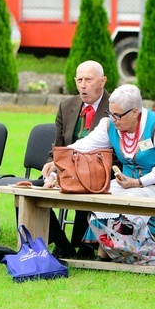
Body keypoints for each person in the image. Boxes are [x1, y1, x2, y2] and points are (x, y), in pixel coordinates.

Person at [46, 84, 155, 261]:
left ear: (135, 112)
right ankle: (109, 252)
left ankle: (139, 254)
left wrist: (138, 182)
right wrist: (58, 162)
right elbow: (85, 146)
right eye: (111, 113)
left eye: (118, 115)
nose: (113, 119)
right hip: (132, 182)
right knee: (103, 196)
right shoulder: (109, 124)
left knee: (129, 200)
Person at [38, 60, 112, 259]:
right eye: (79, 80)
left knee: (84, 187)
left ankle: (85, 247)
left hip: (100, 172)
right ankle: (63, 244)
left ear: (102, 81)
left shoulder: (114, 106)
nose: (83, 85)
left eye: (88, 79)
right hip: (65, 169)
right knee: (26, 195)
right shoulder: (67, 106)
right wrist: (51, 169)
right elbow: (58, 146)